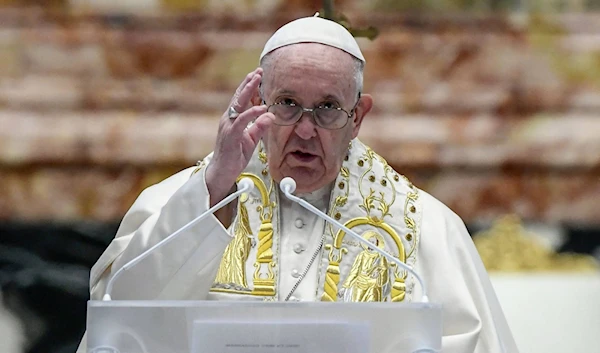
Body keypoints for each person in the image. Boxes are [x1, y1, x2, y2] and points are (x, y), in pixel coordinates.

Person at [77, 15, 519, 353]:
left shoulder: (424, 226)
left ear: (357, 117)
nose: (305, 130)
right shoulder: (184, 201)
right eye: (287, 104)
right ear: (257, 102)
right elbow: (120, 318)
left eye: (327, 107)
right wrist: (214, 189)